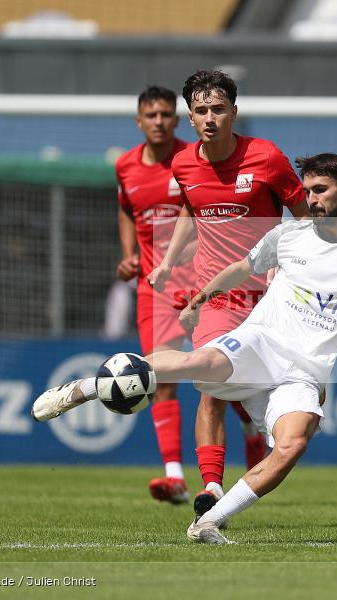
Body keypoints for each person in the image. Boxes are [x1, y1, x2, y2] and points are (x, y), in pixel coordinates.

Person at [31, 153, 337, 544]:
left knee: (294, 442)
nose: (310, 199)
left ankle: (210, 521)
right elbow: (241, 267)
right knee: (202, 362)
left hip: (305, 370)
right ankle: (88, 388)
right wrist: (200, 298)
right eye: (307, 190)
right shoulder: (289, 236)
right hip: (260, 341)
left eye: (319, 190)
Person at [146, 70, 311, 518]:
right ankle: (213, 488)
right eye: (201, 110)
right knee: (211, 387)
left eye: (218, 109)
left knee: (265, 397)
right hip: (217, 298)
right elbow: (188, 209)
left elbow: (305, 217)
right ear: (191, 117)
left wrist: (291, 261)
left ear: (234, 112)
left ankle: (258, 439)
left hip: (270, 299)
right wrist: (167, 262)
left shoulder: (267, 157)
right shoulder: (183, 163)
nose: (210, 118)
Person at [113, 85, 197, 504]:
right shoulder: (126, 166)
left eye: (166, 114)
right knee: (160, 379)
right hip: (156, 291)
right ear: (139, 121)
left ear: (176, 121)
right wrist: (128, 255)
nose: (159, 121)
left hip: (203, 284)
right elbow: (127, 209)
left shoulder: (192, 160)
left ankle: (253, 436)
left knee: (223, 379)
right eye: (152, 115)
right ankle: (175, 476)